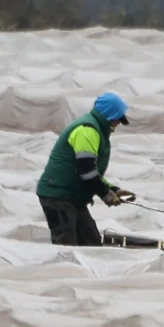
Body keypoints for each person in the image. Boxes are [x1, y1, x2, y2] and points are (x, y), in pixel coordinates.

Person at [35, 92, 137, 246]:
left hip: (73, 197)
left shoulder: (95, 129)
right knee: (67, 246)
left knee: (91, 243)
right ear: (109, 116)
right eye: (117, 119)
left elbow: (90, 171)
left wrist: (113, 189)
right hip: (58, 196)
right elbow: (87, 171)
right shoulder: (87, 130)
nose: (117, 124)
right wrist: (106, 195)